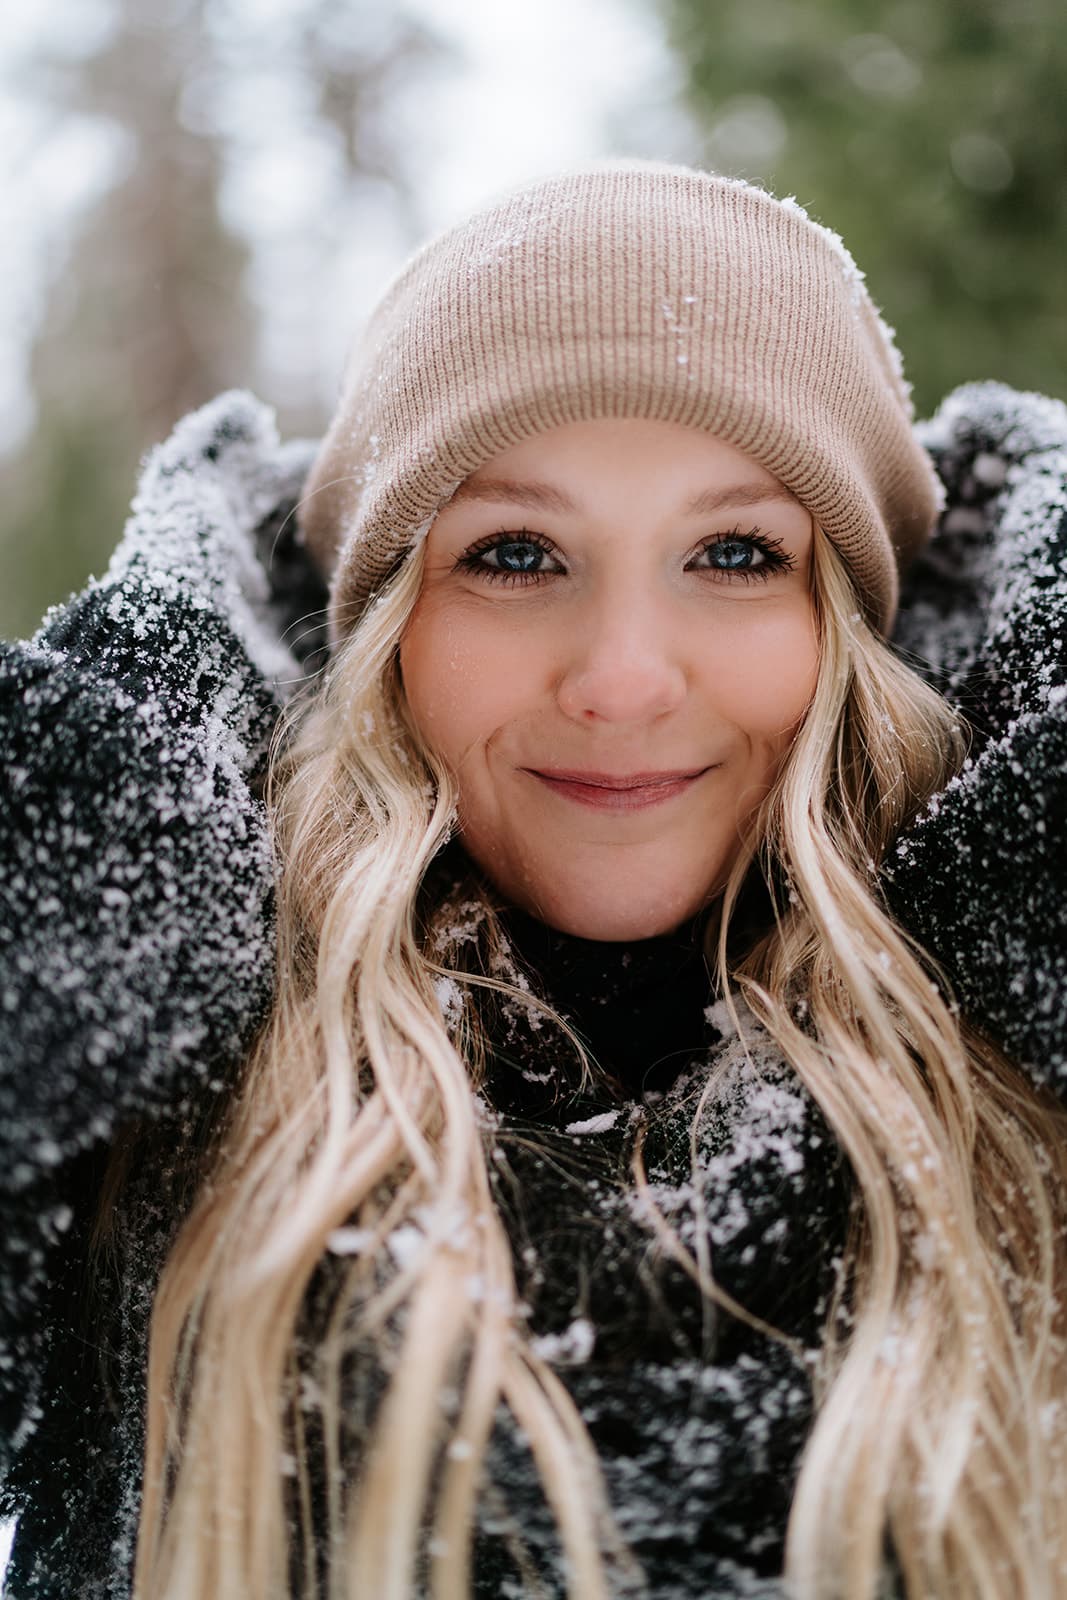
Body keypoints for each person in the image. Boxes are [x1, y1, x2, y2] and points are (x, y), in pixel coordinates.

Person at [1, 157, 1066, 1600]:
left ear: (844, 630)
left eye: (737, 553)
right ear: (387, 630)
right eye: (516, 554)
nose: (623, 679)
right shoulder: (153, 1111)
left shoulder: (1025, 1094)